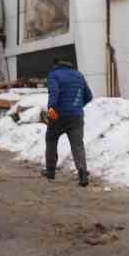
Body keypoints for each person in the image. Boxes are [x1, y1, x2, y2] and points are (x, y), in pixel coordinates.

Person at [43, 58, 93, 186]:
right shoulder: (79, 75)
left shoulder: (54, 75)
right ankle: (82, 173)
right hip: (76, 116)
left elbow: (54, 92)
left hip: (59, 115)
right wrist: (77, 106)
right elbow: (89, 96)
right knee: (77, 145)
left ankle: (50, 171)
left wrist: (51, 108)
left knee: (51, 139)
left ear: (56, 65)